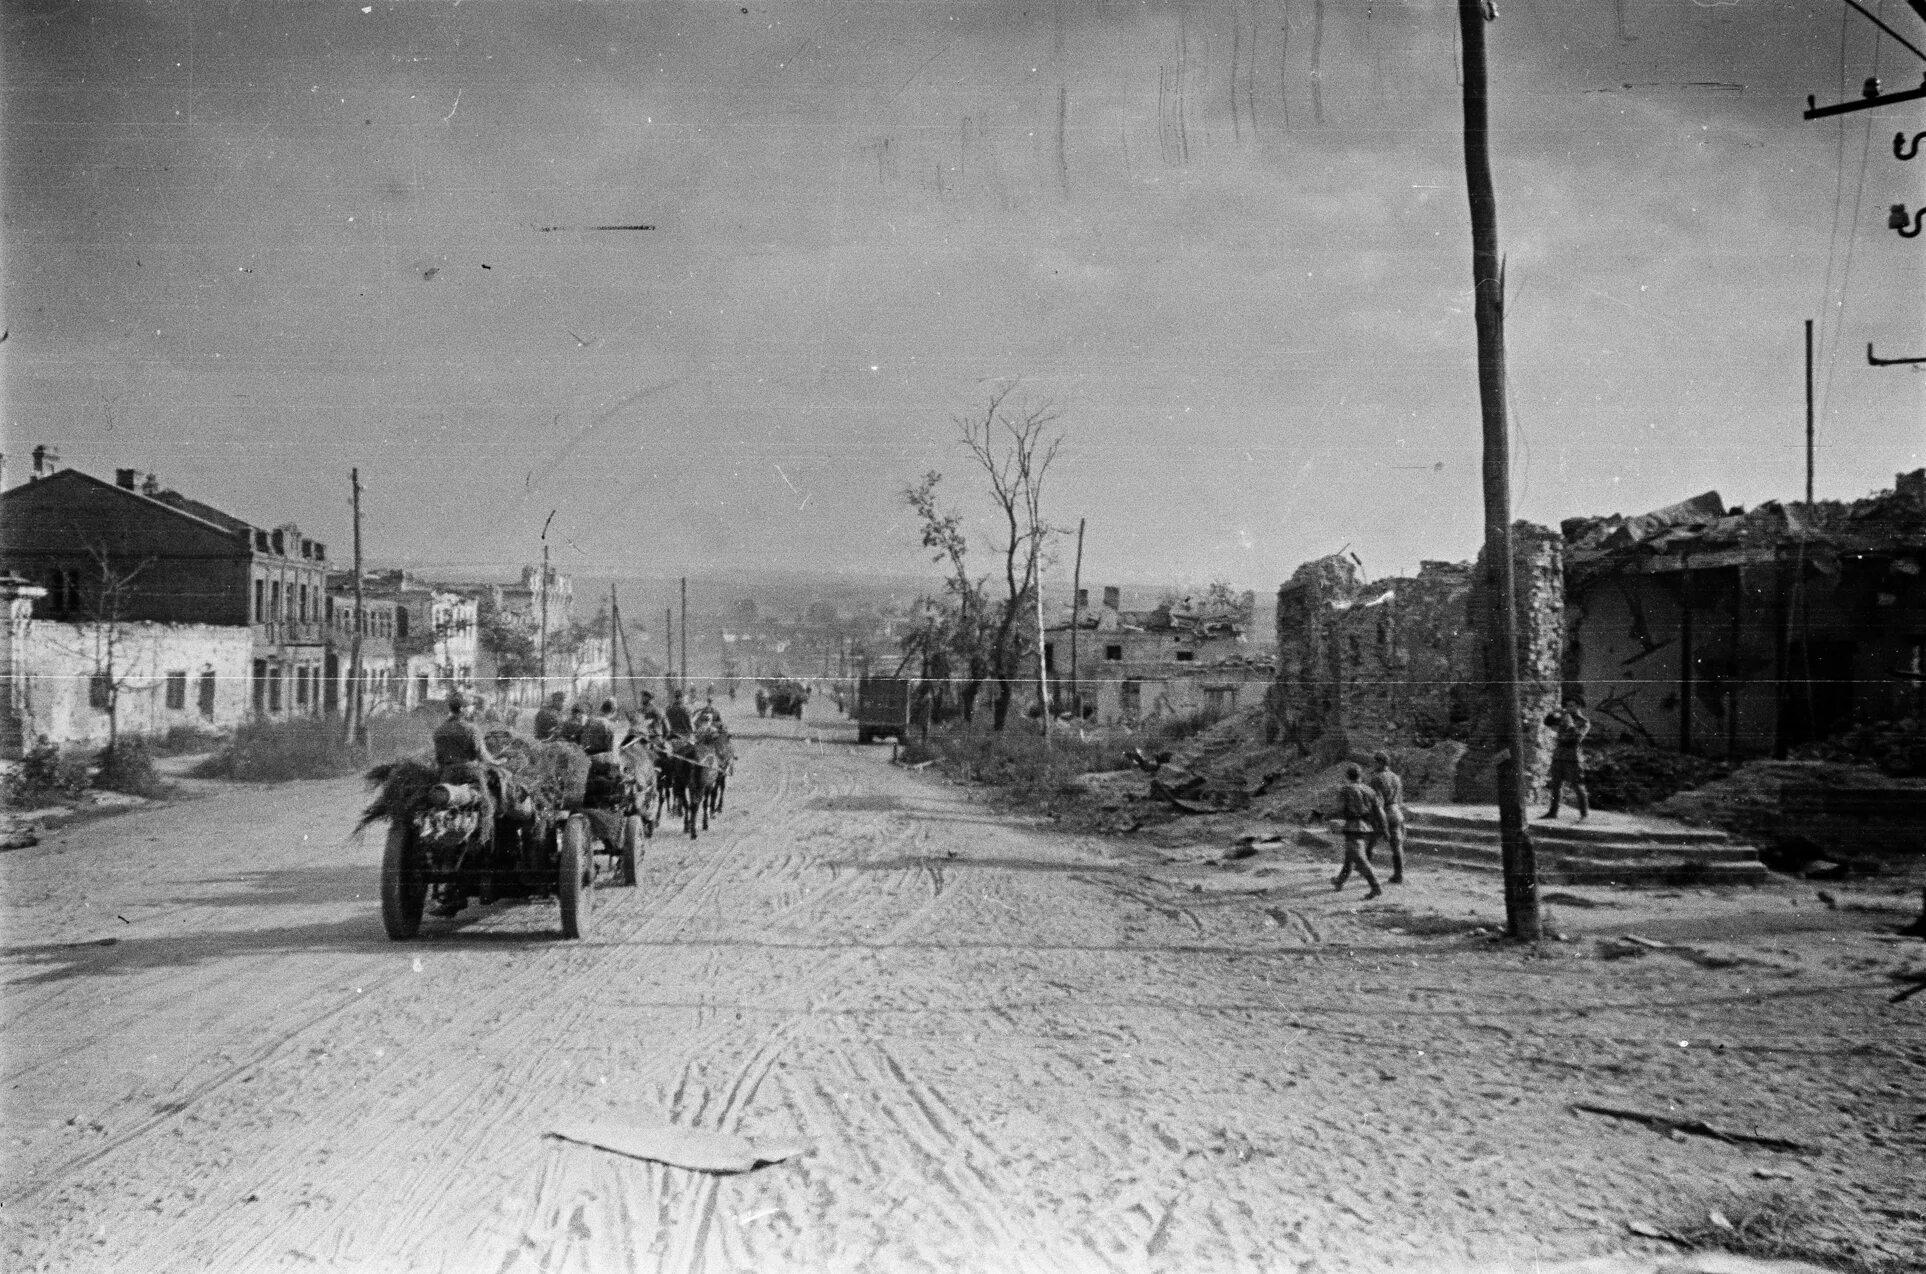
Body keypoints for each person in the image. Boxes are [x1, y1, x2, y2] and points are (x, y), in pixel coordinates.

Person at [1333, 763, 1385, 899]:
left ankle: (1376, 887)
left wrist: (1327, 815)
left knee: (1359, 858)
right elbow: (1379, 812)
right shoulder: (1370, 790)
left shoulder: (1345, 790)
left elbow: (1339, 809)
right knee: (1350, 857)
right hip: (1366, 827)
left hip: (1353, 826)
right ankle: (1339, 881)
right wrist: (1384, 828)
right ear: (1360, 776)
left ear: (1347, 776)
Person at [1542, 699, 1591, 820]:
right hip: (1559, 755)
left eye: (1572, 705)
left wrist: (1569, 724)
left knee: (1577, 785)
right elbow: (1547, 722)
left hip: (1572, 757)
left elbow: (1577, 738)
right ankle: (1553, 812)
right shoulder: (1563, 717)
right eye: (1567, 706)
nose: (1568, 708)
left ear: (1578, 706)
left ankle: (1584, 814)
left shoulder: (1584, 722)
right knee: (1555, 785)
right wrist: (1553, 713)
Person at [1366, 751, 1408, 885]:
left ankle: (1364, 869)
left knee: (1371, 841)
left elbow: (1377, 802)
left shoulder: (1376, 779)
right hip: (1396, 813)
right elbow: (1400, 800)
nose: (1373, 764)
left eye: (1374, 762)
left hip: (1383, 814)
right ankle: (1399, 874)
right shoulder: (1396, 777)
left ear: (1380, 763)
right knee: (1396, 845)